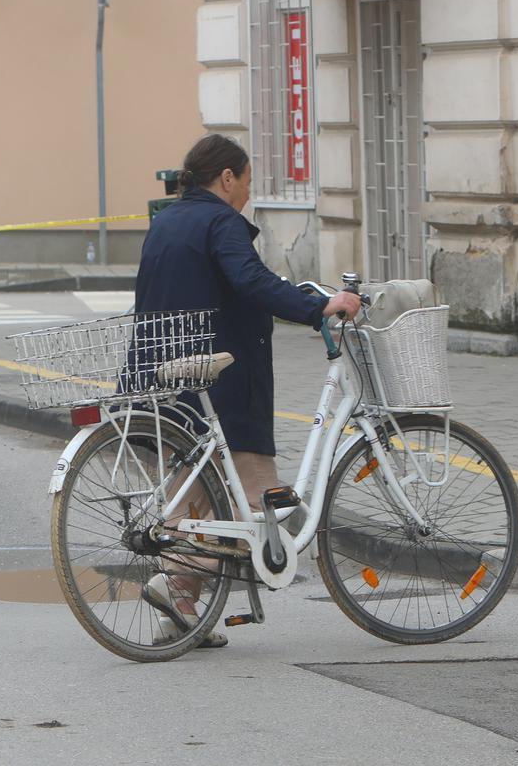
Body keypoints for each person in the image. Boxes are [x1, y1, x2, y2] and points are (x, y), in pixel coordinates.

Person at [133, 134, 359, 645]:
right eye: (247, 182)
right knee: (251, 499)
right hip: (221, 381)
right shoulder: (221, 221)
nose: (248, 194)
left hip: (166, 378)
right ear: (227, 178)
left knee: (192, 498)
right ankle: (177, 585)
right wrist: (317, 306)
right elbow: (250, 279)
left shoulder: (166, 221)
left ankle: (181, 612)